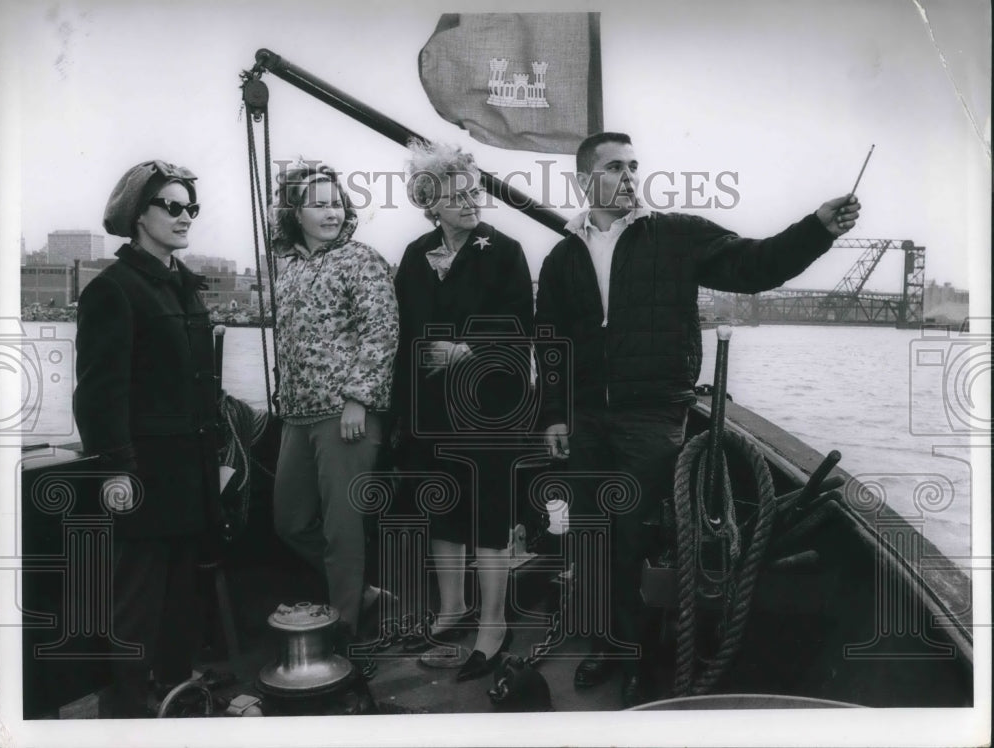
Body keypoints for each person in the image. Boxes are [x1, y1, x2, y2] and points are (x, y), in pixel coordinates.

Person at [534, 132, 861, 706]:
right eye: (615, 167)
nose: (631, 175)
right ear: (585, 180)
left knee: (635, 534)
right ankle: (607, 643)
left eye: (635, 165)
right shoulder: (563, 256)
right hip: (586, 417)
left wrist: (817, 228)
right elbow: (551, 341)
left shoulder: (676, 236)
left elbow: (755, 264)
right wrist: (553, 416)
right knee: (592, 534)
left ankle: (635, 656)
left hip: (652, 412)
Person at [74, 160, 220, 717]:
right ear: (139, 216)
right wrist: (117, 470)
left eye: (192, 208)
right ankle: (132, 705)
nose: (186, 217)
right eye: (173, 207)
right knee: (136, 597)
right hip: (143, 475)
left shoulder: (183, 287)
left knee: (182, 589)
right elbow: (98, 396)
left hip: (190, 471)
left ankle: (176, 689)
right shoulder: (115, 291)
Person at [391, 141, 533, 681]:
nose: (471, 202)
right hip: (430, 410)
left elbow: (520, 324)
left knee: (490, 517)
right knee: (443, 509)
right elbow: (402, 332)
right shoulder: (413, 254)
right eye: (456, 195)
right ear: (431, 205)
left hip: (488, 407)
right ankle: (452, 609)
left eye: (474, 191)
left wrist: (465, 349)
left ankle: (492, 626)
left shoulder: (506, 250)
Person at [270, 162, 399, 677]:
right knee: (289, 521)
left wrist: (359, 400)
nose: (330, 210)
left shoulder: (361, 260)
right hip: (297, 416)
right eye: (317, 202)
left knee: (344, 531)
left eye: (336, 202)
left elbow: (381, 330)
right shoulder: (291, 268)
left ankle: (344, 638)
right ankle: (364, 594)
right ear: (294, 212)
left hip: (345, 417)